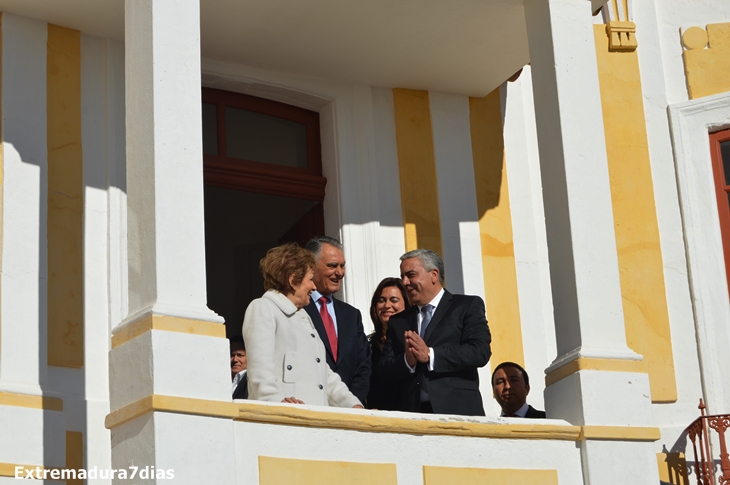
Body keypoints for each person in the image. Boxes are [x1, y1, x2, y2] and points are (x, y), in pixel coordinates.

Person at [242, 243, 362, 408]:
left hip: (315, 420)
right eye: (310, 280)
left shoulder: (304, 316)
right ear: (293, 281)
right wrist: (278, 402)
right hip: (285, 421)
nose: (314, 287)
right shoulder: (263, 308)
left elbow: (325, 374)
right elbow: (260, 372)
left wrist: (353, 405)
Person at [379, 249, 491, 415]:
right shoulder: (399, 321)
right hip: (413, 415)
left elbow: (479, 352)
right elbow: (384, 368)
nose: (405, 282)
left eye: (411, 275)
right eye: (403, 276)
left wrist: (431, 355)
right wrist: (407, 361)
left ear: (434, 275)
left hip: (458, 411)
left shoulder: (466, 306)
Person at [304, 236, 371, 404]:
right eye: (332, 266)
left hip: (349, 410)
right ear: (311, 267)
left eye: (342, 266)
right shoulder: (298, 310)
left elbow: (363, 366)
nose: (340, 272)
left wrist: (351, 403)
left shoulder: (351, 315)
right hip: (311, 407)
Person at [366, 277, 411, 410]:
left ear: (406, 304)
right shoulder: (366, 345)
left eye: (394, 300)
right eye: (381, 300)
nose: (386, 305)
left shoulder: (413, 341)